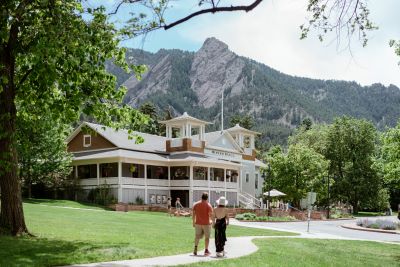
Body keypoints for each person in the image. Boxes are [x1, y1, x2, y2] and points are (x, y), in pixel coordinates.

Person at [192, 192, 213, 256]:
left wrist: (193, 222)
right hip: (206, 224)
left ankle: (195, 248)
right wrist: (211, 221)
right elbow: (210, 215)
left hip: (198, 223)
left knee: (197, 236)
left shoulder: (196, 204)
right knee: (207, 237)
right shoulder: (208, 205)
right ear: (207, 198)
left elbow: (193, 214)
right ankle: (206, 250)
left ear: (201, 197)